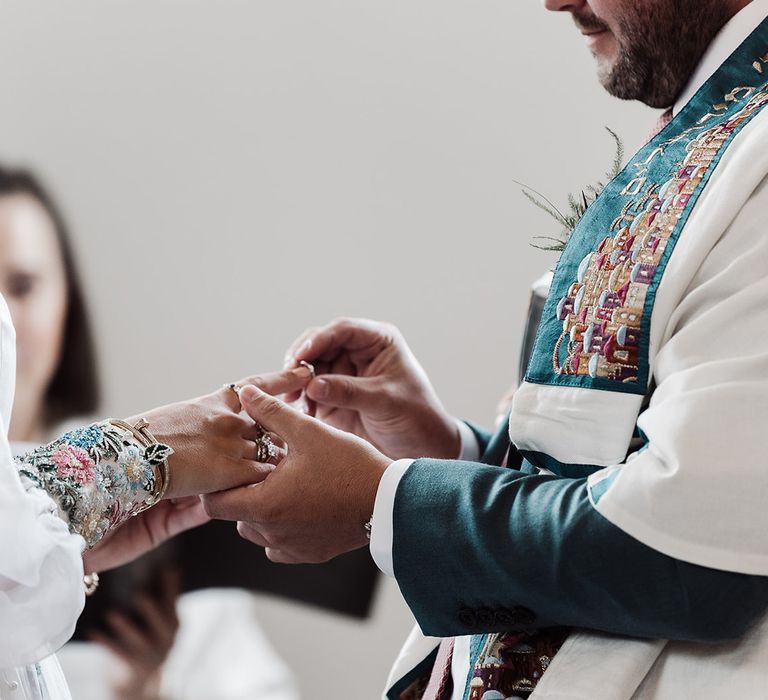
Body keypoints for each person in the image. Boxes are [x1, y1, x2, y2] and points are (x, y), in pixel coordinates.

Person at [202, 0, 768, 697]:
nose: (554, 0)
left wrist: (381, 503)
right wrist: (453, 450)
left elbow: (697, 549)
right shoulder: (720, 122)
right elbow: (672, 462)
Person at [0, 165, 312, 699]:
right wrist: (120, 462)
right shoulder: (127, 466)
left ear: (66, 303)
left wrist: (150, 688)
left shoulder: (147, 515)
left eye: (23, 286)